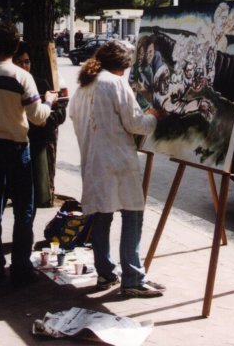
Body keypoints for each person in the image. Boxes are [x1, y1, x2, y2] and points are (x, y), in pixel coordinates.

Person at [68, 40, 165, 298]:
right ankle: (132, 277)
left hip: (94, 162)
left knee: (102, 215)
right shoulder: (114, 82)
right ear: (123, 67)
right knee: (132, 215)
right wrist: (153, 116)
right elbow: (136, 124)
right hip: (117, 162)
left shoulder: (84, 87)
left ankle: (105, 273)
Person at [0, 21, 58, 286]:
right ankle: (20, 267)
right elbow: (38, 117)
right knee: (23, 211)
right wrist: (49, 102)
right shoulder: (22, 77)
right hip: (17, 150)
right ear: (16, 46)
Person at [13, 42, 66, 209]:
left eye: (26, 61)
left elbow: (60, 112)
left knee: (34, 198)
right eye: (19, 61)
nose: (23, 66)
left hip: (37, 146)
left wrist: (45, 122)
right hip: (14, 147)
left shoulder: (40, 84)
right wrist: (37, 120)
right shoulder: (7, 85)